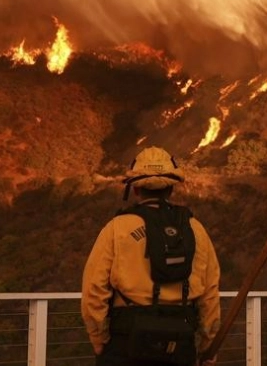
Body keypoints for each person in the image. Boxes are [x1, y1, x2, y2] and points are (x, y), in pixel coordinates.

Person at [81, 147, 221, 366]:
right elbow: (210, 293)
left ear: (135, 188)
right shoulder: (195, 229)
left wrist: (99, 340)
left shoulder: (117, 228)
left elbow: (94, 291)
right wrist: (206, 346)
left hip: (126, 345)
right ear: (171, 188)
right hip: (179, 344)